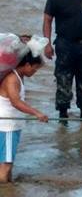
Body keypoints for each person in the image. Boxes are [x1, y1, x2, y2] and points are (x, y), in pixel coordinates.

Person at [0, 52, 49, 182]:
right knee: (6, 164)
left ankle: (8, 188)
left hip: (9, 126)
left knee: (6, 162)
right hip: (7, 127)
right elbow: (16, 102)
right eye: (35, 68)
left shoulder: (18, 76)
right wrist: (36, 113)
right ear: (27, 64)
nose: (35, 71)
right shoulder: (12, 79)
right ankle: (5, 196)